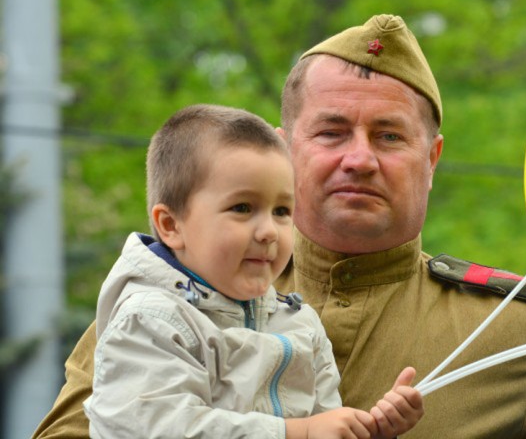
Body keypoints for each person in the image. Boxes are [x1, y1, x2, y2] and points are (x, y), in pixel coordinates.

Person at [34, 15, 526, 438]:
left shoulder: (515, 334)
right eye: (331, 131)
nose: (360, 158)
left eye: (390, 136)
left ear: (434, 158)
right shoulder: (173, 292)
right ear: (284, 144)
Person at [79, 104, 423, 438]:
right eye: (242, 208)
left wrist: (367, 431)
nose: (269, 231)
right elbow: (151, 428)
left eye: (282, 211)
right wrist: (294, 433)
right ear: (171, 225)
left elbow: (323, 423)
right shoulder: (152, 319)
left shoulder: (300, 324)